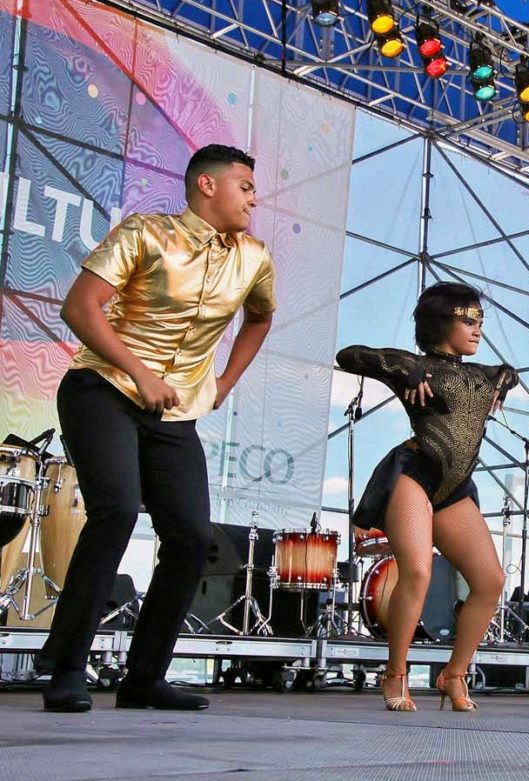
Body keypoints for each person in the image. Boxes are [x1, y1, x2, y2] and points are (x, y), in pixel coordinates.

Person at [39, 144, 276, 712]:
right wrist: (140, 373)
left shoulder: (254, 257)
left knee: (192, 535)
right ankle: (66, 668)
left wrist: (224, 381)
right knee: (117, 511)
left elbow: (260, 317)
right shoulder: (145, 233)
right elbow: (81, 307)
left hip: (175, 409)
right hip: (103, 388)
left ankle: (144, 677)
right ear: (207, 185)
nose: (253, 199)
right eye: (245, 186)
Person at [336, 282, 517, 712]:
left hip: (455, 488)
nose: (477, 330)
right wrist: (409, 372)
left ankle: (453, 674)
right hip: (415, 475)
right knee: (417, 572)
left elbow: (508, 372)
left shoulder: (484, 375)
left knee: (490, 581)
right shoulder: (414, 366)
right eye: (467, 320)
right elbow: (348, 356)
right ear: (440, 323)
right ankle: (395, 673)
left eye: (480, 321)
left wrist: (507, 380)